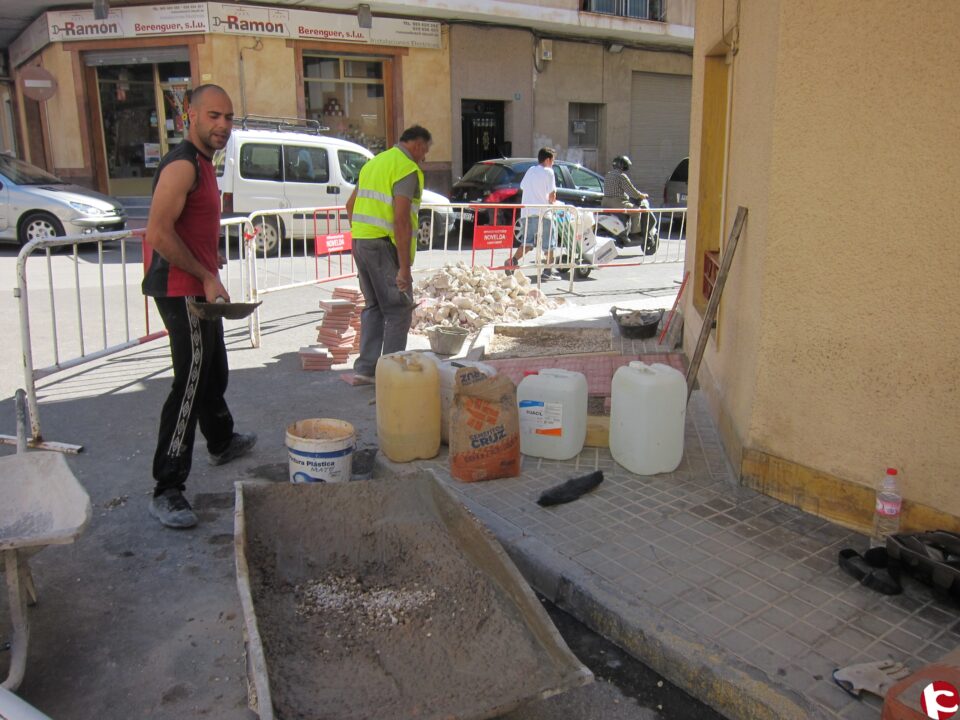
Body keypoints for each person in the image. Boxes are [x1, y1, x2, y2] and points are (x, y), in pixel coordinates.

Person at [142, 84, 256, 529]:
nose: (223, 125)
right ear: (189, 114)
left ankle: (222, 441)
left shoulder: (206, 162)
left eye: (229, 117)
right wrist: (205, 275)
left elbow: (189, 228)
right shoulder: (182, 165)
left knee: (214, 370)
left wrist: (212, 263)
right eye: (213, 116)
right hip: (180, 289)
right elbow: (158, 233)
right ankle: (167, 488)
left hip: (200, 285)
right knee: (190, 382)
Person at [346, 125, 432, 385]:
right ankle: (391, 377)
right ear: (417, 145)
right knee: (398, 309)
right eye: (425, 151)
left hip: (362, 241)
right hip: (383, 245)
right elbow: (402, 219)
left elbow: (350, 205)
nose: (425, 157)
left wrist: (362, 234)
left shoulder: (375, 163)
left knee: (373, 306)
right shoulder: (406, 168)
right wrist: (404, 269)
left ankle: (366, 369)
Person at [505, 148, 560, 281]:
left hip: (528, 212)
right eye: (553, 160)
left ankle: (512, 261)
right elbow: (552, 195)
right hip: (543, 212)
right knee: (548, 243)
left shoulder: (530, 170)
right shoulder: (549, 172)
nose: (553, 163)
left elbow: (523, 186)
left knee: (528, 242)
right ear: (547, 160)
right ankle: (547, 271)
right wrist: (552, 202)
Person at [603, 155, 648, 236]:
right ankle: (635, 233)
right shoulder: (621, 176)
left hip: (605, 202)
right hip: (617, 203)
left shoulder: (608, 175)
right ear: (622, 165)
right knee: (637, 211)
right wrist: (641, 195)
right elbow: (632, 192)